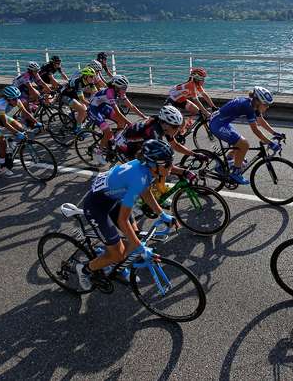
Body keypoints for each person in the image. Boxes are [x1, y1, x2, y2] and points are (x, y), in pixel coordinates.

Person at [76, 139, 191, 289]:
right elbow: (123, 220)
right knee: (119, 252)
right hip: (96, 207)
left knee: (134, 236)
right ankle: (84, 270)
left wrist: (162, 215)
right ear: (154, 165)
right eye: (168, 165)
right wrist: (140, 248)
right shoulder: (139, 178)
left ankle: (115, 262)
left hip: (112, 198)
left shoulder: (146, 169)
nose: (171, 168)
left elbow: (146, 192)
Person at [208, 86, 283, 185]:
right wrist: (270, 143)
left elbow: (261, 121)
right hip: (217, 124)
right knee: (244, 144)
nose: (267, 107)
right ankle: (236, 173)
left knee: (240, 143)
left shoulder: (253, 104)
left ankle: (224, 163)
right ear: (257, 101)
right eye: (265, 104)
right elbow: (255, 130)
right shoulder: (247, 107)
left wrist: (274, 133)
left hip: (222, 122)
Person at [87, 75, 147, 165]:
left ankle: (115, 140)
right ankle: (98, 152)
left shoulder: (120, 92)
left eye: (126, 87)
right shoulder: (110, 93)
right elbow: (118, 112)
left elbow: (131, 106)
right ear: (116, 87)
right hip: (94, 109)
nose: (125, 90)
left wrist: (144, 116)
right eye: (123, 88)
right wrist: (130, 123)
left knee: (122, 122)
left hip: (103, 106)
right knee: (108, 131)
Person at [0, 86, 40, 176]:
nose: (16, 100)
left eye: (17, 98)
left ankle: (11, 144)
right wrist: (17, 133)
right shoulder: (1, 105)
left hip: (1, 117)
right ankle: (2, 167)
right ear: (7, 99)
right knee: (2, 144)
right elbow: (5, 124)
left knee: (21, 127)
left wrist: (37, 122)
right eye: (14, 99)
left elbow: (26, 113)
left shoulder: (17, 101)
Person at [115, 105, 205, 160]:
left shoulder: (161, 123)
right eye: (175, 127)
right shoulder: (153, 134)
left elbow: (175, 145)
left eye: (177, 126)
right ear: (165, 124)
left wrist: (194, 154)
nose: (177, 130)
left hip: (134, 139)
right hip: (125, 148)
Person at [166, 67, 217, 135]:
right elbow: (196, 100)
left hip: (182, 100)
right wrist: (206, 112)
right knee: (182, 122)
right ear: (197, 78)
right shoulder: (191, 85)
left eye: (204, 78)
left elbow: (205, 95)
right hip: (172, 101)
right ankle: (177, 137)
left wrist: (214, 107)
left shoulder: (197, 84)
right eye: (202, 79)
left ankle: (190, 124)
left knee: (200, 112)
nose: (204, 81)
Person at [60, 66, 97, 130]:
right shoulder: (79, 83)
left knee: (86, 110)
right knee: (82, 110)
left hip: (74, 95)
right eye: (91, 76)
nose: (93, 78)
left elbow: (96, 92)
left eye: (93, 76)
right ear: (85, 76)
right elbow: (82, 99)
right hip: (65, 96)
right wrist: (91, 105)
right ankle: (78, 129)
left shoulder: (90, 82)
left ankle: (73, 117)